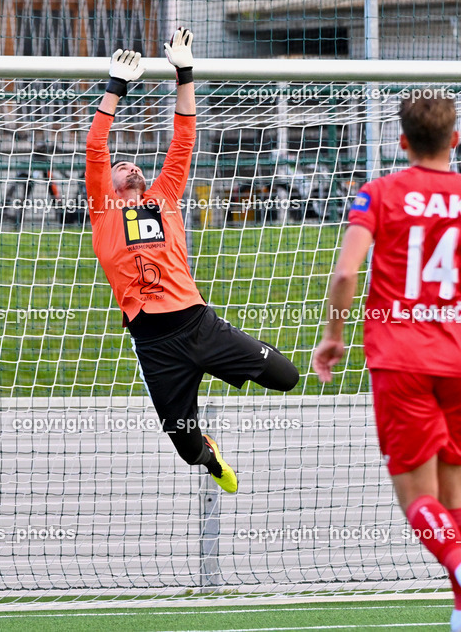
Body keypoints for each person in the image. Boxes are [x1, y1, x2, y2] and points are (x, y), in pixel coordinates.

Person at [312, 94, 461, 632]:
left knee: (417, 498)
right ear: (455, 140)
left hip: (400, 359)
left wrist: (333, 336)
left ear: (403, 141)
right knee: (456, 493)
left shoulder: (379, 193)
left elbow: (345, 274)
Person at [85, 28, 300, 493]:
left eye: (134, 164)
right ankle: (211, 455)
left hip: (200, 325)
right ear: (109, 182)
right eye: (121, 166)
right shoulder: (103, 210)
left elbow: (182, 140)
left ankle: (235, 354)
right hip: (155, 345)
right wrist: (115, 87)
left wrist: (184, 71)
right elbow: (96, 147)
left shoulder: (164, 197)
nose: (130, 166)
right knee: (187, 449)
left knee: (287, 377)